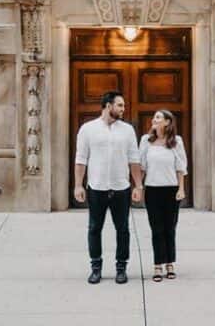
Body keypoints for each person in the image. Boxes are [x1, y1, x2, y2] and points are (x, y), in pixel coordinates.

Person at [74, 89, 143, 285]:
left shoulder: (127, 130)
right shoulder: (87, 129)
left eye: (123, 105)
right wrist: (78, 185)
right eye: (120, 105)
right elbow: (81, 159)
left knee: (123, 229)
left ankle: (121, 268)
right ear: (108, 105)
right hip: (97, 187)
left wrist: (138, 186)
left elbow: (134, 159)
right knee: (94, 228)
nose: (123, 109)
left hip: (121, 188)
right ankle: (96, 268)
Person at [139, 109, 187, 282]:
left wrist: (181, 189)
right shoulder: (146, 141)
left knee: (170, 228)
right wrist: (138, 187)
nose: (154, 119)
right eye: (154, 117)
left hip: (171, 190)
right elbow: (142, 166)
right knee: (156, 229)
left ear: (167, 122)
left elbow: (180, 167)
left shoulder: (176, 141)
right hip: (152, 190)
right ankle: (157, 265)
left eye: (158, 117)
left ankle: (170, 263)